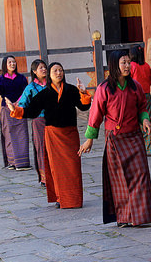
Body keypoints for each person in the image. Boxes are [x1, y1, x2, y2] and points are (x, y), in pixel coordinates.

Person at [79, 50, 151, 227]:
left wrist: (145, 121)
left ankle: (142, 217)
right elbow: (95, 115)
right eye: (123, 62)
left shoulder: (136, 86)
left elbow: (142, 108)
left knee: (141, 175)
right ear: (114, 65)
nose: (127, 66)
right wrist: (90, 139)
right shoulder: (104, 88)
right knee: (120, 179)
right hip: (115, 138)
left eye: (128, 62)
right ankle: (125, 217)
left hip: (135, 136)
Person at [6, 63, 91, 209]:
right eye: (55, 71)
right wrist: (15, 110)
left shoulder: (71, 90)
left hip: (70, 134)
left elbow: (83, 106)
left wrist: (83, 93)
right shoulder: (44, 94)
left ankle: (74, 199)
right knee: (56, 169)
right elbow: (31, 111)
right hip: (53, 134)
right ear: (50, 75)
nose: (59, 73)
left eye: (61, 70)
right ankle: (60, 198)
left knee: (73, 168)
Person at [0, 56, 30, 170]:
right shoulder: (1, 80)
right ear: (5, 65)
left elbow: (26, 92)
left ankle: (23, 162)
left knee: (22, 135)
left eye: (14, 62)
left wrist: (18, 102)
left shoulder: (21, 78)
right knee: (9, 135)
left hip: (20, 109)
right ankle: (12, 162)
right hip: (6, 110)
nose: (12, 64)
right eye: (10, 62)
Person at [17, 59, 48, 185]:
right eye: (41, 68)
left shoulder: (52, 84)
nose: (44, 69)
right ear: (34, 71)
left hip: (54, 119)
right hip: (39, 120)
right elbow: (22, 104)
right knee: (41, 147)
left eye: (45, 67)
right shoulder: (30, 88)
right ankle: (45, 177)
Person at [129, 45, 151, 156]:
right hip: (147, 95)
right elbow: (150, 80)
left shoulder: (132, 66)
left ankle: (145, 148)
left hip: (135, 95)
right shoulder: (146, 66)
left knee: (140, 121)